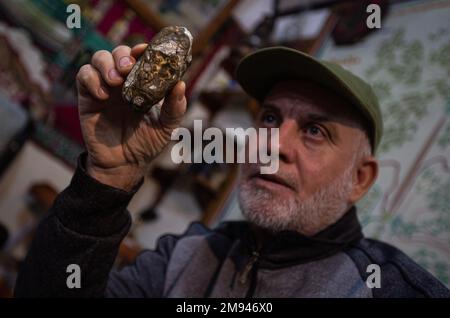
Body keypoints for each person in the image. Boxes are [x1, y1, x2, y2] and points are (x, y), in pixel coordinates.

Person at [14, 46, 449, 298]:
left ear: (360, 179)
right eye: (271, 119)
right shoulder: (185, 256)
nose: (273, 145)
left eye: (315, 130)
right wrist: (108, 179)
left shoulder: (388, 290)